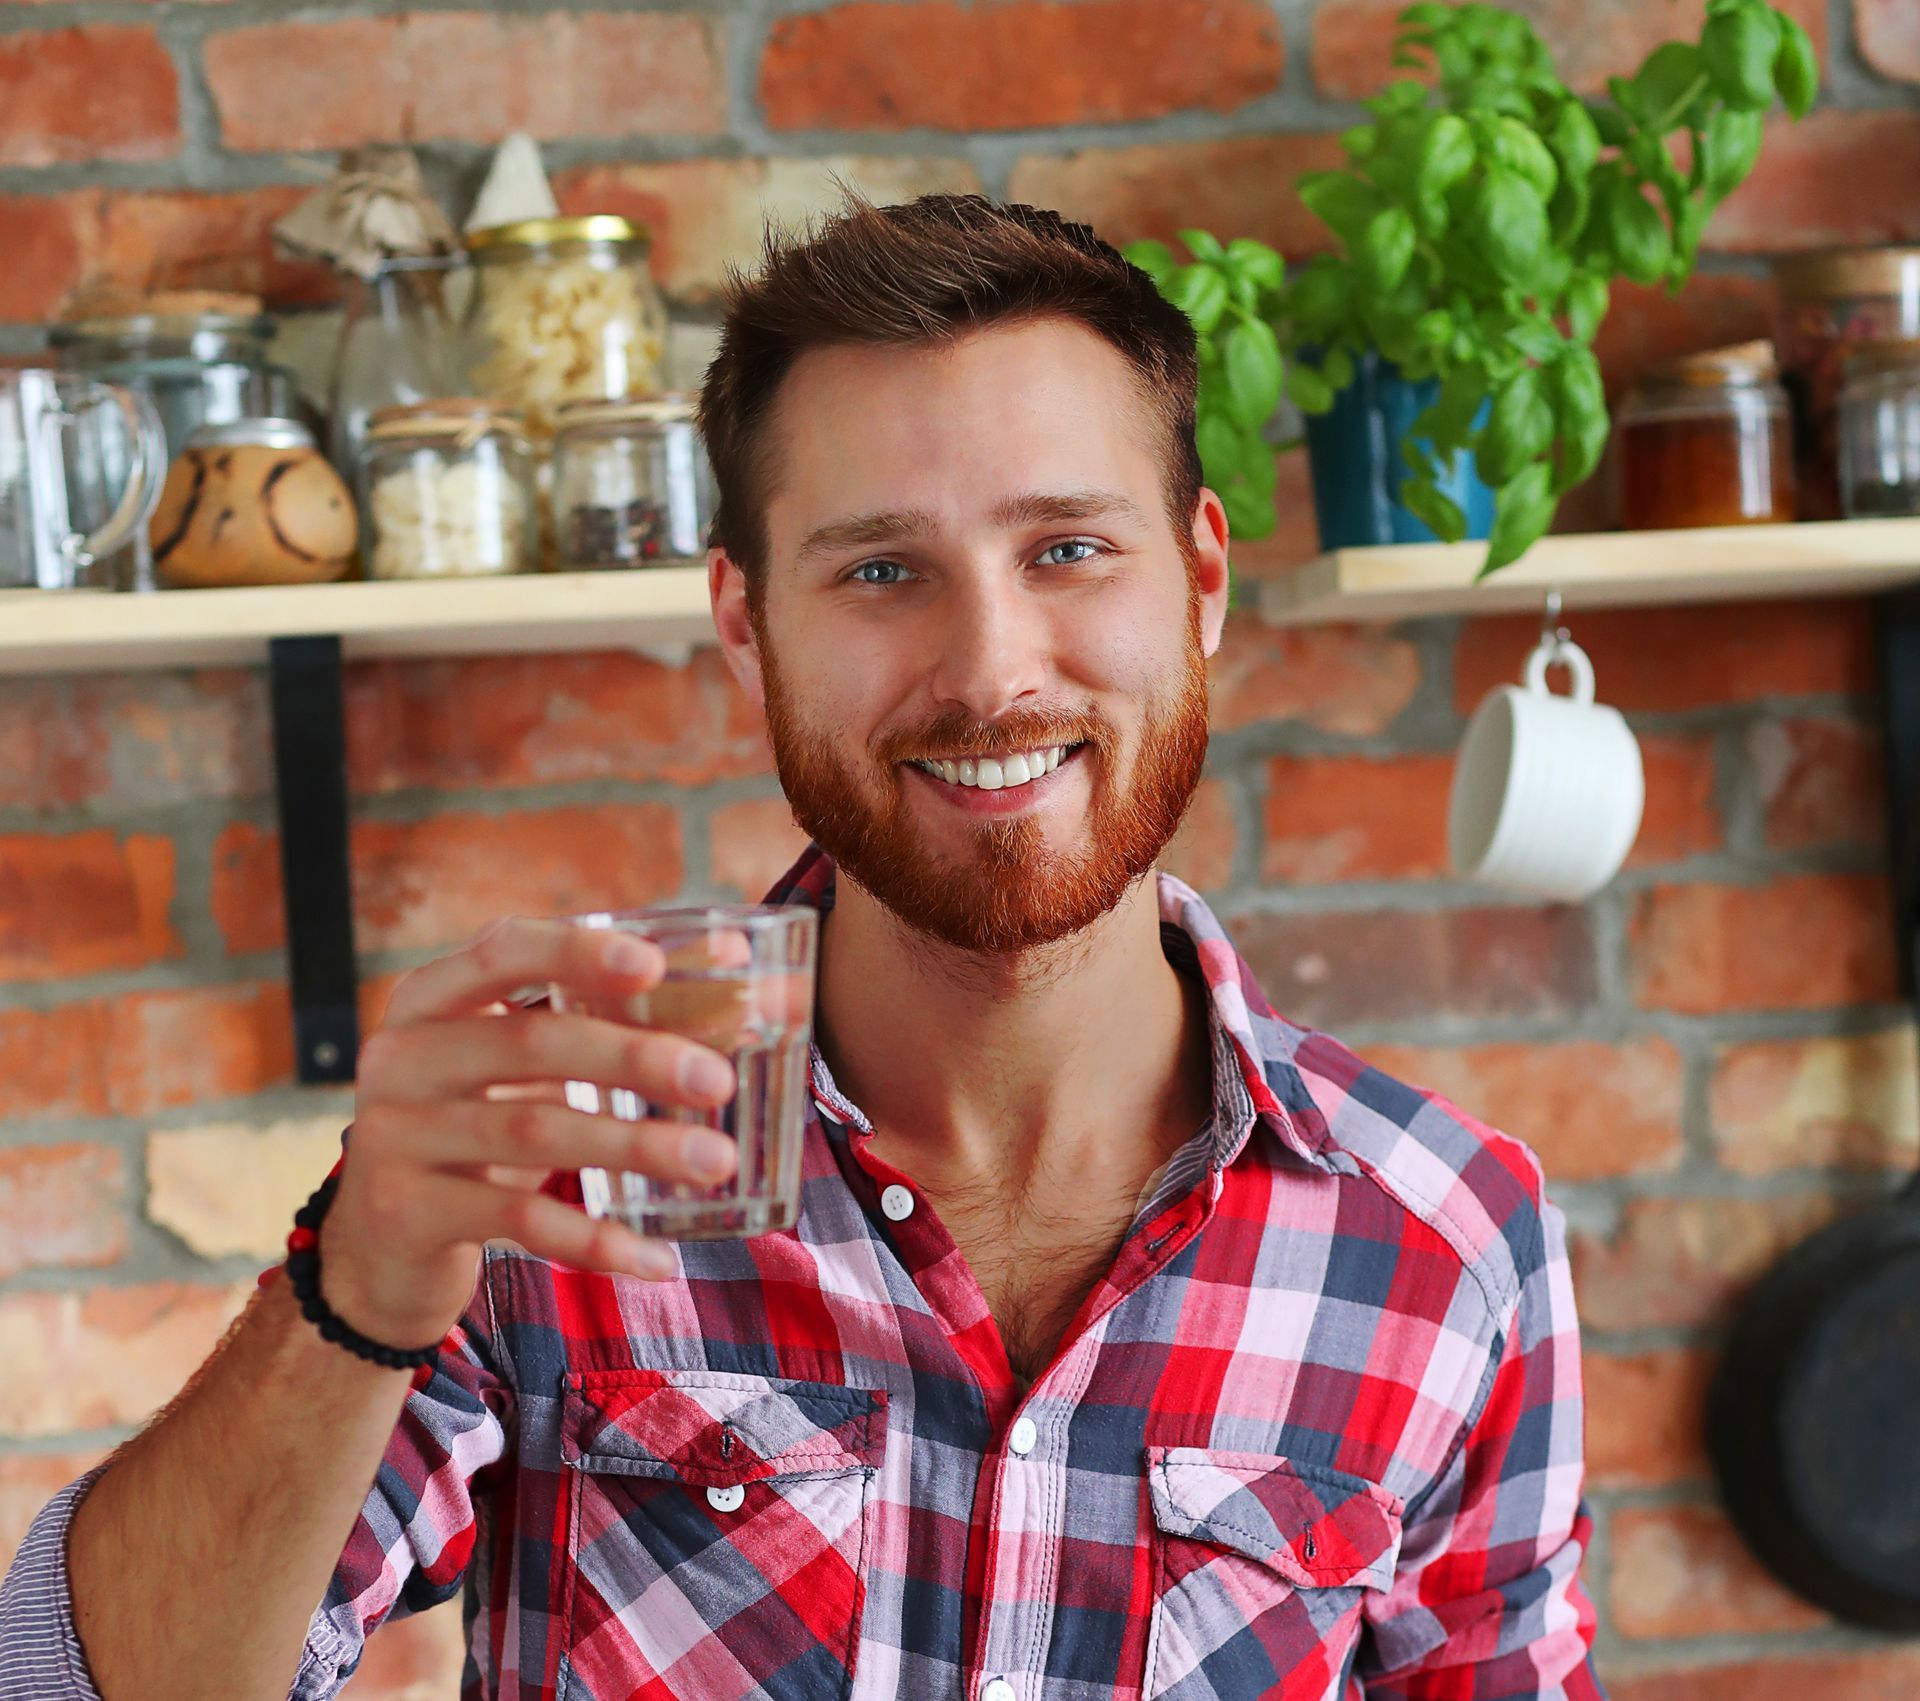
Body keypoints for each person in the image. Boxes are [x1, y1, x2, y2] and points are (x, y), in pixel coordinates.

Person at [0, 193, 1605, 1701]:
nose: (990, 669)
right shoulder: (557, 1150)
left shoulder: (1455, 1239)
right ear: (747, 619)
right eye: (882, 570)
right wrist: (352, 1277)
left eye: (1067, 550)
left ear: (1197, 579)